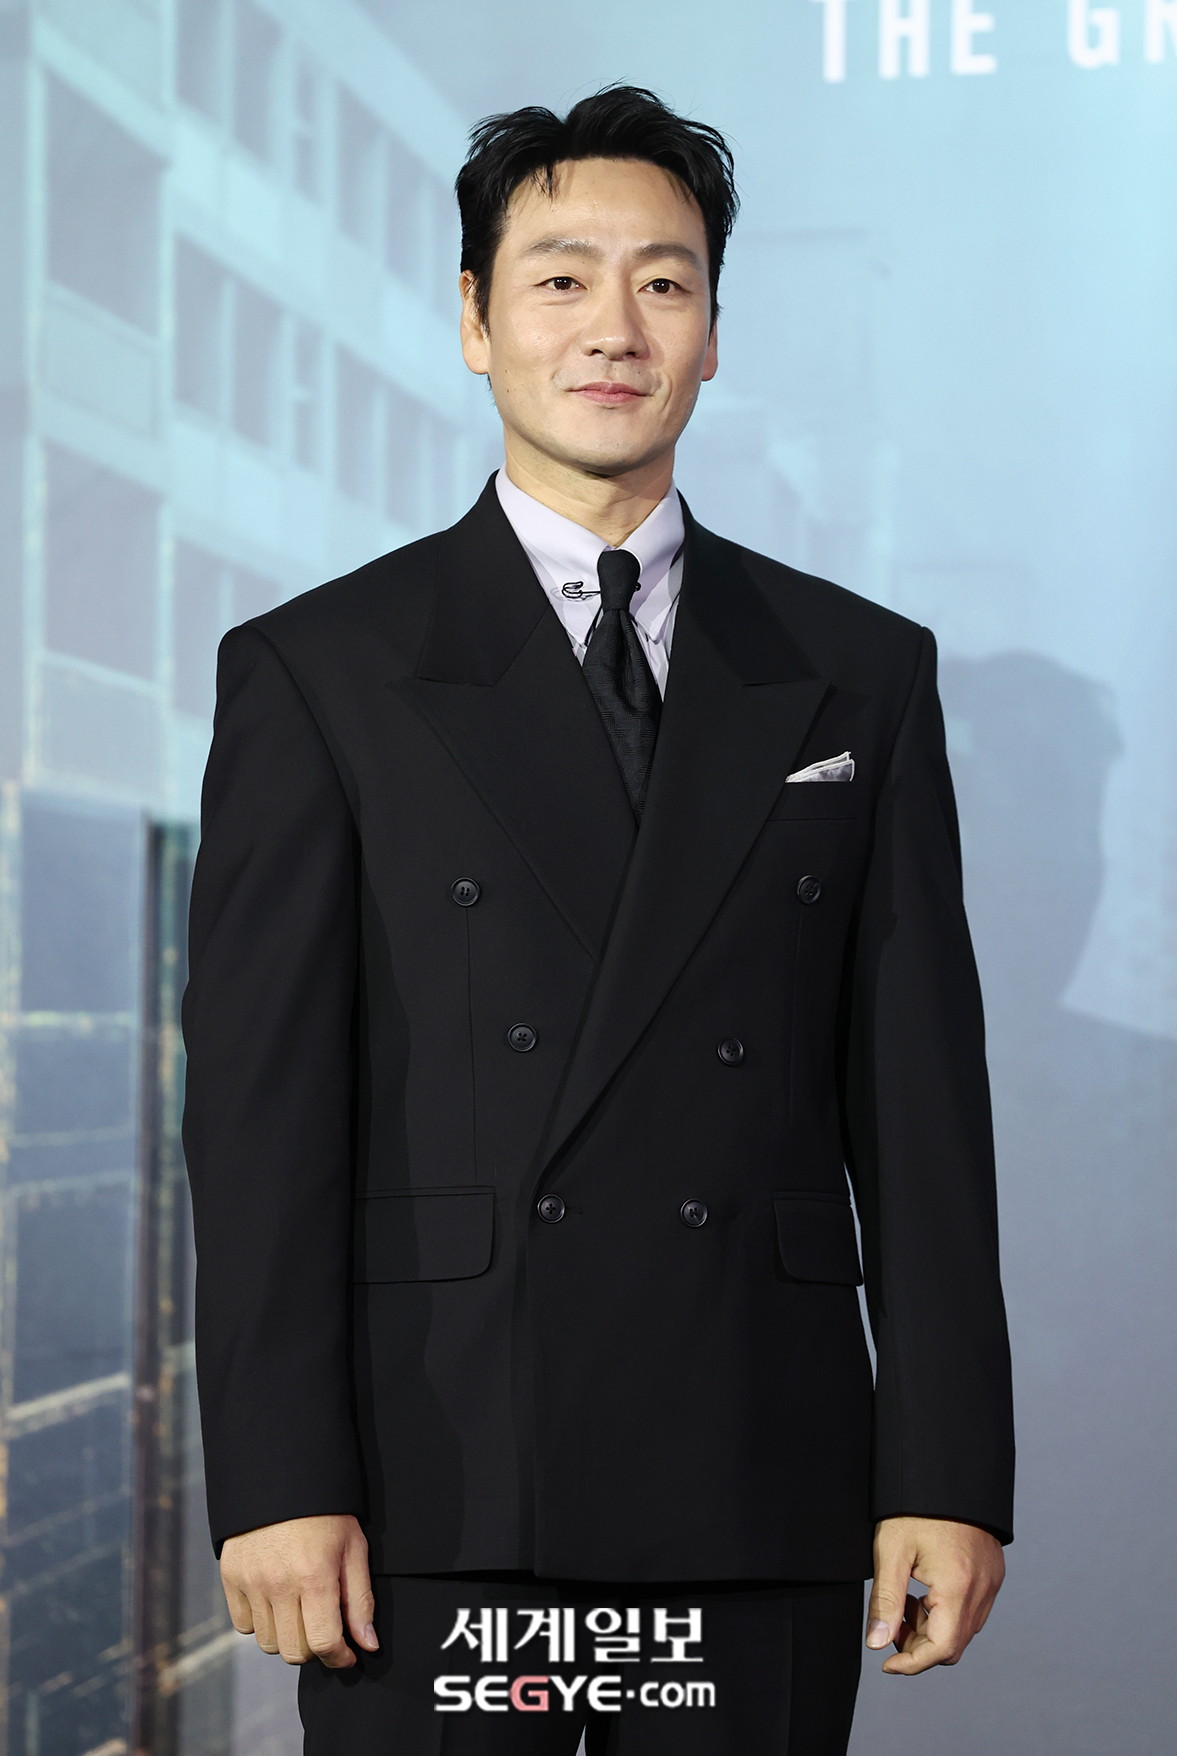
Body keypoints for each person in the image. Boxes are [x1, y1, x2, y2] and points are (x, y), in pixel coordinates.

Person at [181, 84, 1013, 1755]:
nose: (615, 326)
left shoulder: (859, 670)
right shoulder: (324, 670)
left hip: (758, 1466)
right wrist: (276, 1478)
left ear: (712, 336)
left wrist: (946, 1469)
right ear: (475, 321)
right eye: (560, 278)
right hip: (438, 1477)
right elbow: (260, 1123)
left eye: (665, 282)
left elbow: (920, 1109)